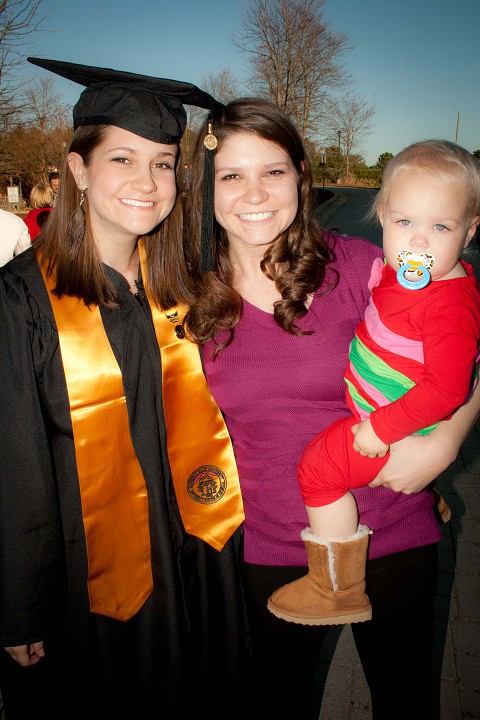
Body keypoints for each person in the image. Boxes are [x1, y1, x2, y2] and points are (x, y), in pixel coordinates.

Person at [182, 99, 480, 720]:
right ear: (206, 187)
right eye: (232, 175)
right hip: (276, 545)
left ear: (300, 176)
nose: (254, 194)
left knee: (405, 701)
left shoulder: (363, 264)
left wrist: (447, 443)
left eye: (274, 171)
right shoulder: (185, 295)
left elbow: (462, 355)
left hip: (394, 528)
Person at [0, 57, 246, 720]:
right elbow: (14, 469)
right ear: (78, 170)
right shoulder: (20, 302)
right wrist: (19, 606)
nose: (147, 182)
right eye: (122, 159)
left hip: (196, 563)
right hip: (89, 590)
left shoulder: (183, 287)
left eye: (163, 164)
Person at [267, 139, 480, 626]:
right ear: (382, 215)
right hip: (383, 410)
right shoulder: (399, 272)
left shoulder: (449, 304)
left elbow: (450, 388)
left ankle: (335, 587)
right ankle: (430, 497)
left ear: (469, 230)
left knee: (318, 470)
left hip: (395, 426)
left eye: (441, 227)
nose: (419, 243)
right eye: (405, 222)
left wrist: (381, 430)